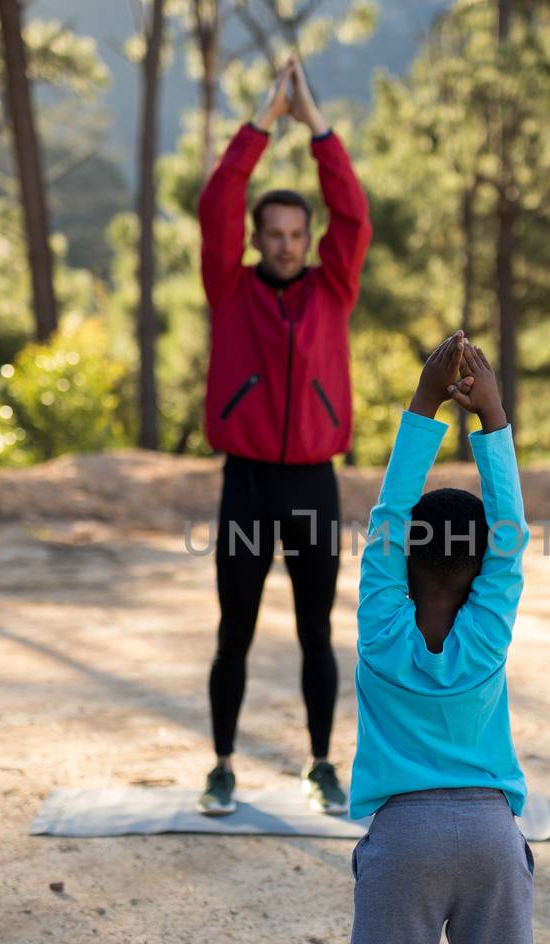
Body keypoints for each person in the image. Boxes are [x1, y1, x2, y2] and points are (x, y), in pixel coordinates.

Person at [338, 333, 545, 944]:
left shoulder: (380, 629)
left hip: (402, 842)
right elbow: (512, 537)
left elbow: (389, 514)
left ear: (399, 558)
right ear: (483, 568)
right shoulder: (486, 636)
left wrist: (424, 402)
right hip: (491, 836)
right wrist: (492, 418)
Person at [195, 54, 371, 817]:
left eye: (299, 232)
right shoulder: (229, 288)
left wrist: (319, 126)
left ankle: (322, 763)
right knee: (233, 627)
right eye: (274, 233)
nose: (288, 243)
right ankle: (223, 765)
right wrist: (264, 122)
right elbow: (216, 201)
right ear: (258, 238)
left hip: (310, 484)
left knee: (314, 629)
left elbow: (355, 215)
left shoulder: (334, 287)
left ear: (310, 238)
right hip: (246, 484)